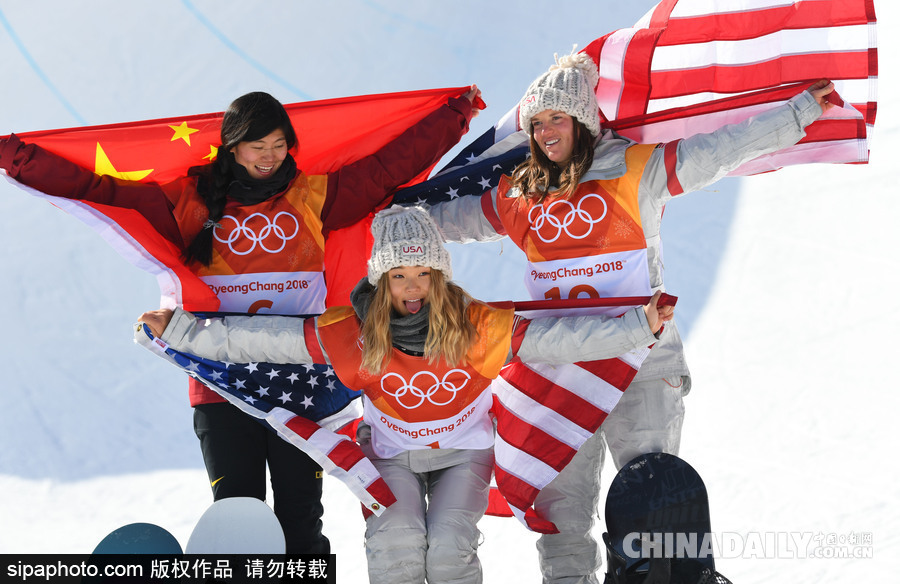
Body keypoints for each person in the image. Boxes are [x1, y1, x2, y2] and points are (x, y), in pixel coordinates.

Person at [0, 88, 481, 553]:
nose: (269, 157)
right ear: (232, 147)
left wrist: (453, 117)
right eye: (257, 147)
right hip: (221, 385)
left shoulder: (316, 195)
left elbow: (386, 169)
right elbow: (100, 188)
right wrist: (20, 159)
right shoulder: (190, 200)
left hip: (301, 387)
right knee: (236, 519)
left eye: (278, 145)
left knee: (299, 521)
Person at [425, 51, 836, 583]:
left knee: (655, 505)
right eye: (537, 123)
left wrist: (797, 112)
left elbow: (718, 152)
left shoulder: (636, 169)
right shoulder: (518, 193)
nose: (547, 132)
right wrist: (374, 220)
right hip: (560, 369)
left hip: (639, 360)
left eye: (558, 118)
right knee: (562, 524)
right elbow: (440, 221)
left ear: (583, 120)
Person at [138, 205, 674, 584]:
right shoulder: (355, 331)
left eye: (424, 273)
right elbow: (263, 339)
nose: (413, 286)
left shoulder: (474, 325)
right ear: (382, 279)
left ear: (440, 276)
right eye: (400, 275)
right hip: (390, 454)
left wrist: (638, 326)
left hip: (463, 455)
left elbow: (559, 339)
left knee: (445, 549)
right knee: (395, 544)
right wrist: (181, 332)